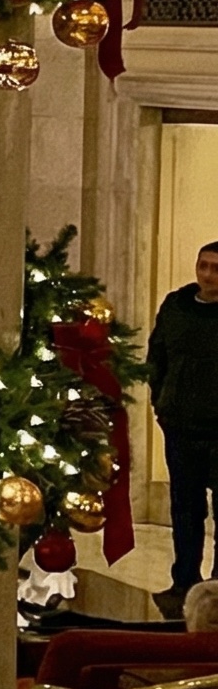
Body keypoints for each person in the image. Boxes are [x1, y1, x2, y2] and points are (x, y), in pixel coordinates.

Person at [153, 241, 218, 618]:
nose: (207, 275)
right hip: (181, 426)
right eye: (203, 266)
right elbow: (157, 355)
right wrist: (161, 401)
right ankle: (185, 583)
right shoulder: (176, 306)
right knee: (185, 509)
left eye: (215, 269)